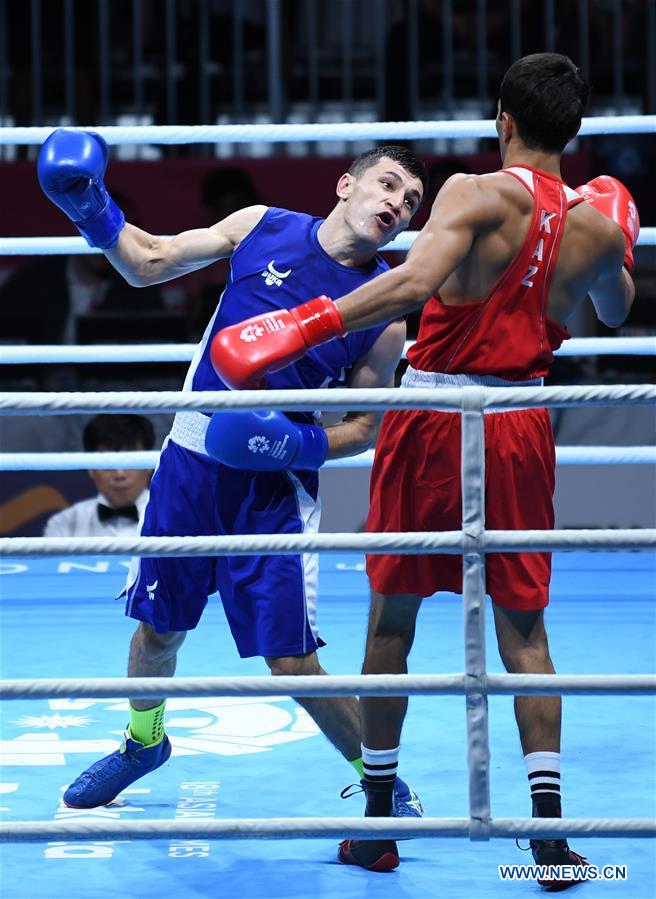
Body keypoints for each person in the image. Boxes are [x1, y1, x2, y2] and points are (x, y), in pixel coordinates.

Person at [210, 53, 639, 884]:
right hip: (520, 424)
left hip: (434, 417)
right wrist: (618, 234)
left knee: (391, 623)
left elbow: (410, 281)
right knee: (526, 632)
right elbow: (616, 310)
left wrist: (298, 326)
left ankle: (378, 826)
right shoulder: (596, 227)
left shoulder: (474, 193)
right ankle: (550, 842)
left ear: (502, 119)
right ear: (575, 130)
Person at [37, 130, 428, 818]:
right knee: (158, 630)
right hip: (190, 461)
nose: (398, 204)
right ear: (347, 184)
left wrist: (289, 444)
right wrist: (90, 210)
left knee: (292, 660)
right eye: (389, 184)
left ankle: (379, 782)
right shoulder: (262, 225)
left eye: (413, 201)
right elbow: (147, 262)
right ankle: (143, 743)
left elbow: (364, 428)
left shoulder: (384, 307)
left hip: (275, 489)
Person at [43, 414, 155, 538]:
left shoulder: (170, 519)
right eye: (108, 462)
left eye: (130, 461)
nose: (120, 474)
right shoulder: (63, 524)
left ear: (150, 464)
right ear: (90, 467)